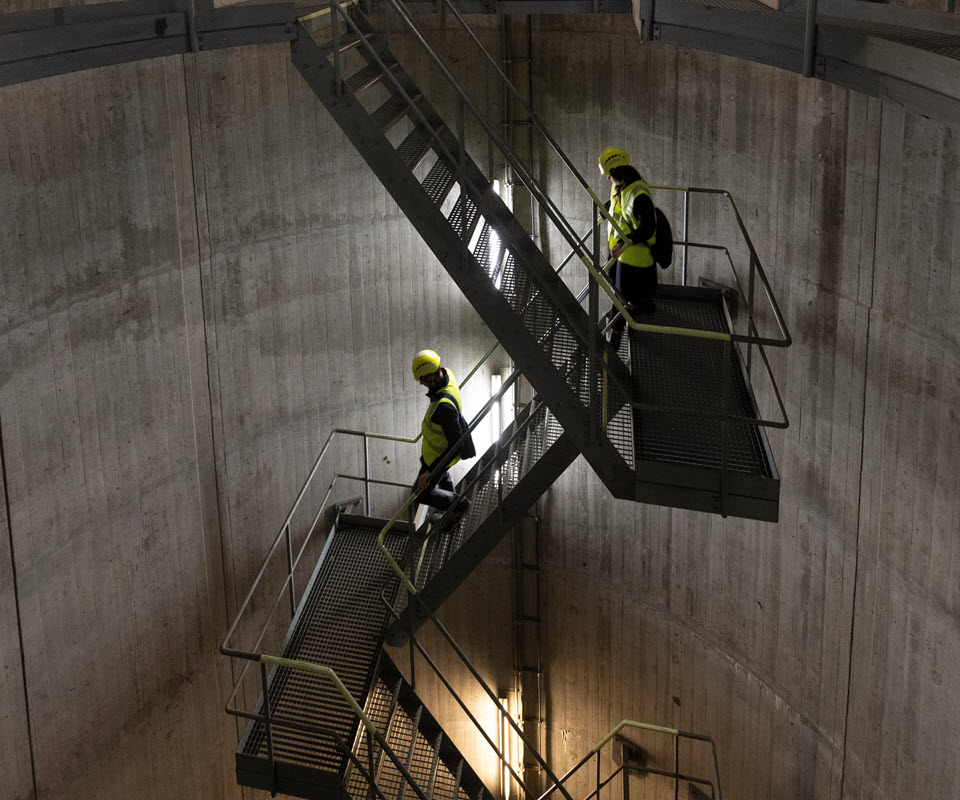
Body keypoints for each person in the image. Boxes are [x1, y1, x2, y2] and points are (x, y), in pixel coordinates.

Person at [598, 146, 658, 351]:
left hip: (633, 256)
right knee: (617, 293)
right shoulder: (621, 186)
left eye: (609, 175)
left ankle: (615, 337)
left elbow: (648, 228)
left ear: (618, 174)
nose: (608, 179)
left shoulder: (638, 194)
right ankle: (639, 308)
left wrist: (624, 242)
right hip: (619, 252)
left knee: (621, 299)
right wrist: (606, 208)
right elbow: (618, 206)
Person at [411, 349, 475, 532]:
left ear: (433, 376)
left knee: (419, 494)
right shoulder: (448, 375)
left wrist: (430, 473)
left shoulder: (444, 407)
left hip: (440, 455)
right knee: (443, 477)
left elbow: (456, 447)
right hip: (434, 453)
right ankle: (452, 517)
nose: (422, 383)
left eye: (423, 379)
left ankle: (459, 505)